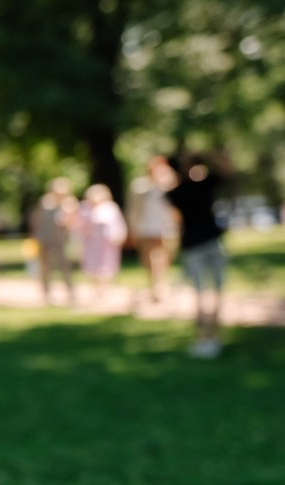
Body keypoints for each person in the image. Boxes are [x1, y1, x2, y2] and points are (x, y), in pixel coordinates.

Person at [155, 150, 230, 357]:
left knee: (214, 290)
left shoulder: (198, 186)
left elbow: (225, 171)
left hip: (207, 242)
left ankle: (212, 334)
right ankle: (204, 336)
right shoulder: (182, 191)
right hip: (196, 244)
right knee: (201, 292)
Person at [125, 157, 176, 301]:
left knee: (163, 257)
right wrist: (132, 227)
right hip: (145, 227)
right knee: (148, 258)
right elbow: (132, 208)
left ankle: (160, 284)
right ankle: (154, 285)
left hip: (165, 228)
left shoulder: (168, 185)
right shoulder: (140, 187)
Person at [29, 176, 78, 305]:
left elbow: (72, 221)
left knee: (64, 265)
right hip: (44, 238)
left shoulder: (69, 203)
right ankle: (46, 292)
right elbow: (36, 218)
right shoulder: (45, 202)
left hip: (61, 240)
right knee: (45, 266)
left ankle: (70, 291)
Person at [76, 183, 128, 300]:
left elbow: (118, 224)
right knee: (93, 264)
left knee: (107, 264)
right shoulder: (85, 209)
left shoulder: (110, 207)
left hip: (108, 242)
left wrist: (120, 235)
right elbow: (79, 225)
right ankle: (96, 287)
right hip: (91, 242)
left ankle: (105, 288)